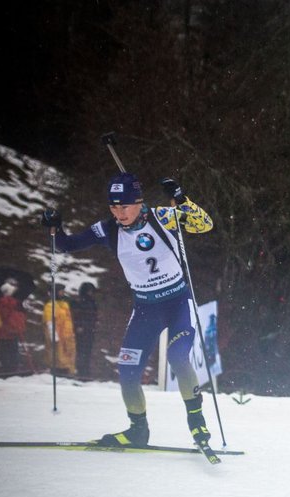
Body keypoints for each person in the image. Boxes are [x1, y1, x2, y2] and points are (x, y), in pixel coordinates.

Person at [40, 173, 214, 447]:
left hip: (179, 302)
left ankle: (197, 422)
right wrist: (55, 228)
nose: (119, 213)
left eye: (125, 206)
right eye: (113, 206)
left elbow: (204, 224)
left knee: (178, 357)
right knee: (127, 369)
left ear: (139, 202)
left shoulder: (163, 217)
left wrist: (181, 199)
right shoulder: (108, 229)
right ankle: (137, 430)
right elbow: (66, 245)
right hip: (146, 309)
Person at [42, 285, 77, 375]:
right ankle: (58, 373)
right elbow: (49, 322)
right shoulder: (50, 306)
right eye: (60, 291)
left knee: (68, 356)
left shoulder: (65, 305)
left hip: (67, 337)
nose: (62, 293)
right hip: (58, 338)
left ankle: (66, 372)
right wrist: (54, 336)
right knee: (57, 357)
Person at [0, 279, 28, 374]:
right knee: (10, 351)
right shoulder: (11, 303)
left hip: (7, 332)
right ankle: (10, 369)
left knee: (7, 351)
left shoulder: (4, 303)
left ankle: (9, 368)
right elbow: (5, 316)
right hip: (9, 331)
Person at [72, 281, 98, 378]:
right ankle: (81, 370)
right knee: (81, 351)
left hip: (90, 330)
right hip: (82, 330)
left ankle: (86, 370)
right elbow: (77, 316)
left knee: (88, 351)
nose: (91, 293)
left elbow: (93, 316)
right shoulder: (79, 302)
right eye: (89, 291)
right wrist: (79, 326)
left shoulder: (92, 302)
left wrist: (94, 325)